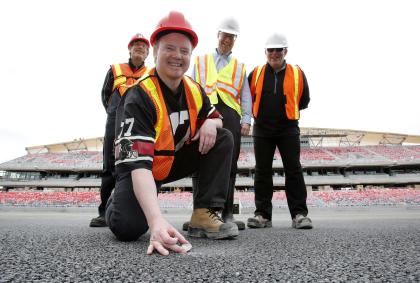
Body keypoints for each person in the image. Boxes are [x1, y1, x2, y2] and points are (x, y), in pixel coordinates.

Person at [105, 11, 239, 256]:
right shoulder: (139, 95)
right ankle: (117, 198)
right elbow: (138, 164)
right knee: (128, 228)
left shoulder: (193, 88)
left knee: (223, 137)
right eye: (170, 48)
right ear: (155, 51)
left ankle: (203, 213)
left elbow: (214, 118)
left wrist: (212, 122)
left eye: (184, 51)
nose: (178, 56)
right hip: (139, 168)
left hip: (170, 160)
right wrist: (156, 221)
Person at [183, 17, 252, 231]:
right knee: (200, 158)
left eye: (232, 37)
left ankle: (227, 213)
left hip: (230, 114)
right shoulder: (201, 61)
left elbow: (245, 95)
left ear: (235, 40)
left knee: (229, 164)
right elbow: (190, 86)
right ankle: (199, 212)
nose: (228, 40)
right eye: (225, 35)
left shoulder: (240, 67)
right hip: (204, 113)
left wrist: (246, 119)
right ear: (218, 35)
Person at [247, 33, 313, 229]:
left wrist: (285, 112)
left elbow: (304, 100)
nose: (274, 53)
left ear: (285, 51)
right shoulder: (256, 73)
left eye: (278, 49)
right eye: (270, 50)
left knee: (293, 170)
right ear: (265, 52)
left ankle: (299, 214)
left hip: (288, 128)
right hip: (262, 129)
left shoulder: (297, 73)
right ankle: (262, 215)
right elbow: (247, 98)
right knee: (262, 171)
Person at [90, 33, 150, 227]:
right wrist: (114, 114)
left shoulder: (152, 73)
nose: (139, 48)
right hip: (115, 119)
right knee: (109, 165)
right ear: (130, 50)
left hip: (137, 124)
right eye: (136, 45)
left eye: (143, 46)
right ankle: (103, 211)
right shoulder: (115, 69)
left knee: (129, 166)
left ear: (148, 52)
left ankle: (126, 209)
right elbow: (105, 95)